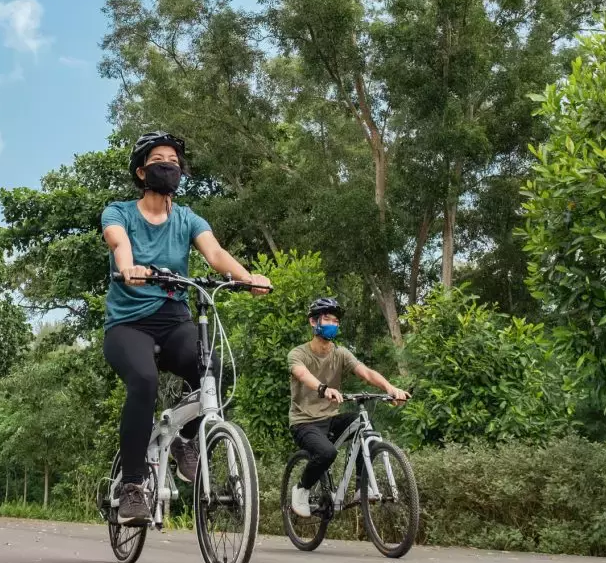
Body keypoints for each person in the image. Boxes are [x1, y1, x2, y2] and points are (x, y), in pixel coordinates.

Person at [102, 131, 271, 525]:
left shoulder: (187, 218)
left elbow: (215, 253)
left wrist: (247, 277)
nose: (169, 166)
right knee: (143, 380)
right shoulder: (120, 212)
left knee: (214, 368)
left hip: (173, 318)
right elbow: (118, 242)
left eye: (175, 162)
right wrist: (129, 266)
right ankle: (131, 485)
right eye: (160, 160)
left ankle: (185, 440)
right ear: (142, 171)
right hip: (128, 325)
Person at [287, 297, 410, 518]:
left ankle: (361, 488)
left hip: (330, 418)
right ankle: (301, 489)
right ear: (313, 322)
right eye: (327, 319)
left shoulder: (341, 353)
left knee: (364, 423)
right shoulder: (298, 354)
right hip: (304, 422)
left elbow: (366, 372)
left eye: (335, 321)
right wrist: (324, 388)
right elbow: (302, 374)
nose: (332, 324)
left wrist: (390, 388)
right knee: (327, 453)